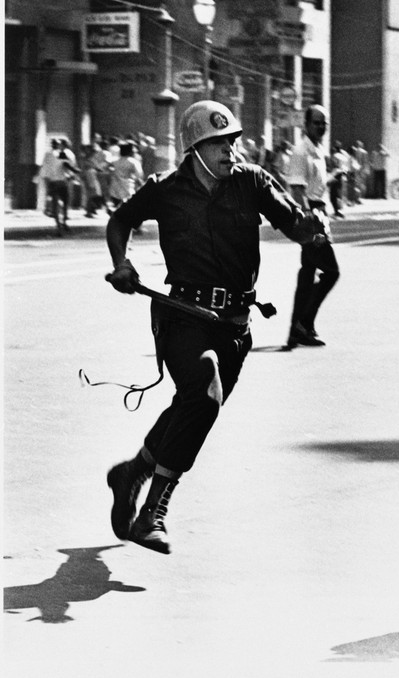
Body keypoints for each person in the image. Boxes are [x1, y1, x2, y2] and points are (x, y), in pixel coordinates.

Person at [103, 100, 327, 554]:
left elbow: (292, 222)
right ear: (194, 148)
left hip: (235, 326)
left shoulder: (252, 181)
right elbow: (120, 220)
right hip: (182, 315)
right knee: (205, 392)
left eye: (233, 142)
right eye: (219, 144)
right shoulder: (165, 188)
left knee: (193, 406)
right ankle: (153, 512)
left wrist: (311, 227)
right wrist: (122, 264)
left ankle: (133, 471)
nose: (231, 151)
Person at [285, 104, 342, 349]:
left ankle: (297, 331)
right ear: (306, 125)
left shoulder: (318, 149)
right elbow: (297, 191)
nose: (321, 127)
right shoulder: (300, 151)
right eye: (316, 122)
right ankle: (303, 323)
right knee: (331, 272)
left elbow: (314, 185)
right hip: (312, 218)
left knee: (307, 275)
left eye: (324, 123)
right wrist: (310, 224)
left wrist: (334, 176)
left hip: (320, 212)